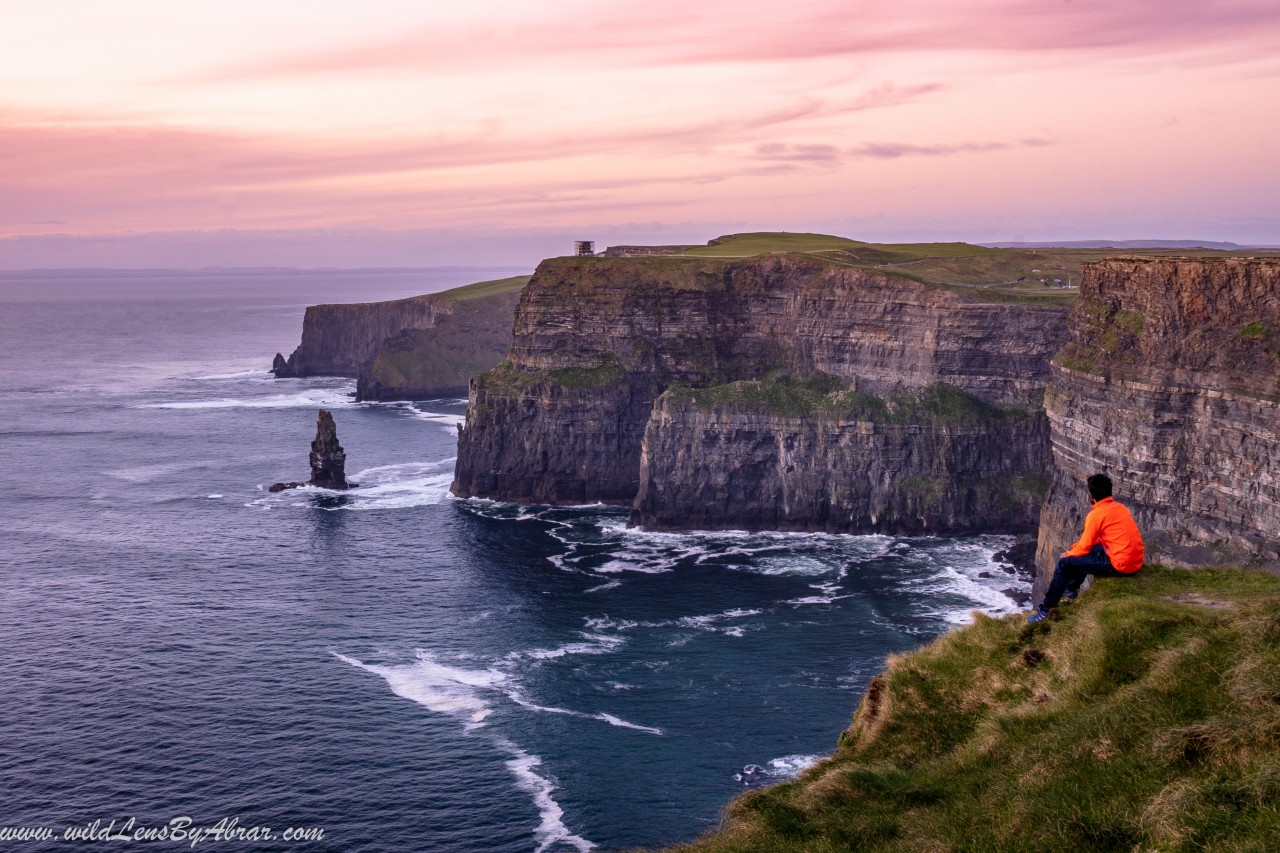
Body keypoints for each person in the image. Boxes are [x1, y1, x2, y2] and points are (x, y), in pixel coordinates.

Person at [1028, 473, 1144, 623]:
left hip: (1121, 565)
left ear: (1091, 495)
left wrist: (1069, 554)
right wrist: (1075, 549)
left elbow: (1084, 548)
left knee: (1065, 563)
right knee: (1083, 553)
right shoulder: (1120, 508)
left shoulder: (1096, 515)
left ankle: (1046, 610)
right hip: (1135, 560)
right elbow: (1093, 542)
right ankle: (1070, 591)